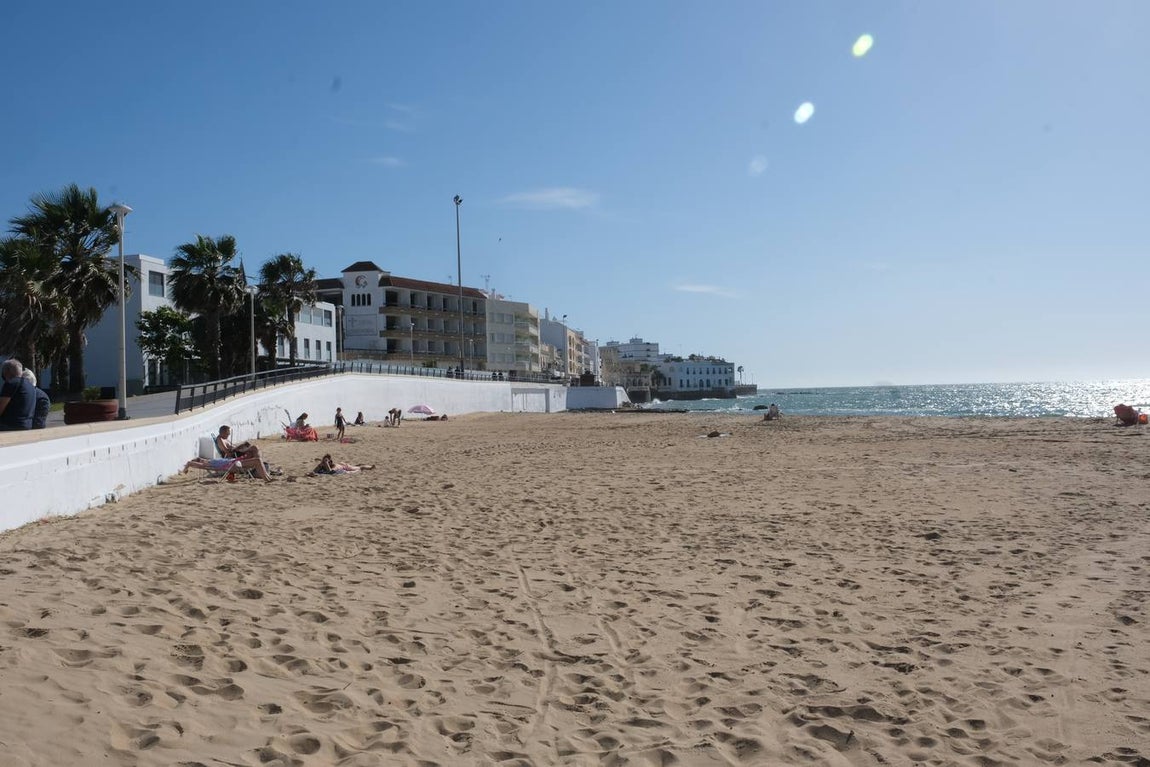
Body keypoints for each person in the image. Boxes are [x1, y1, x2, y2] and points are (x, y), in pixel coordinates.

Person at [0, 359, 37, 431]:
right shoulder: (30, 385)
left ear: (7, 371)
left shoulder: (11, 383)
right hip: (27, 425)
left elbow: (1, 407)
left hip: (10, 425)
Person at [182, 455, 273, 482]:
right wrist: (187, 467)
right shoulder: (209, 464)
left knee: (258, 460)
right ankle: (266, 479)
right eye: (199, 460)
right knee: (257, 460)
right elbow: (190, 463)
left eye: (200, 458)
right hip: (233, 466)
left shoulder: (211, 460)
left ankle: (267, 478)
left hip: (235, 462)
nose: (201, 459)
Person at [310, 454, 376, 475]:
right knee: (356, 466)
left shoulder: (333, 466)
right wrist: (320, 464)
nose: (324, 463)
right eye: (324, 461)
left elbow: (330, 472)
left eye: (326, 461)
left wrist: (326, 463)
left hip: (345, 466)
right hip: (342, 465)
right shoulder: (322, 465)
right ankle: (358, 464)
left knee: (360, 468)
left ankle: (370, 467)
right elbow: (314, 472)